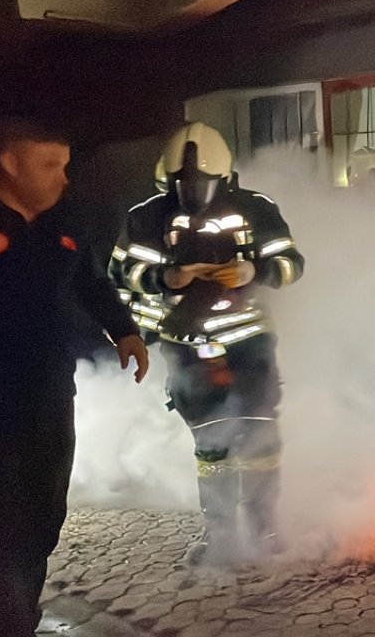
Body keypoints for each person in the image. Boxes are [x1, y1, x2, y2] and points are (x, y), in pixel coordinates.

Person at [0, 117, 149, 636]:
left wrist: (125, 331)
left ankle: (19, 609)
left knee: (42, 521)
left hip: (50, 400)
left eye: (66, 166)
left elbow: (90, 280)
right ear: (9, 163)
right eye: (50, 165)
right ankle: (3, 622)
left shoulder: (60, 222)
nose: (63, 179)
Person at [110, 121, 305, 565]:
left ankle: (264, 525)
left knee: (259, 430)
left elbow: (292, 263)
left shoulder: (256, 209)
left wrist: (255, 272)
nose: (193, 190)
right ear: (169, 178)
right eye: (184, 183)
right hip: (184, 342)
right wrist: (166, 277)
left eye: (203, 181)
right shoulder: (145, 217)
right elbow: (120, 275)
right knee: (210, 440)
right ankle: (219, 530)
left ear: (225, 175)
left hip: (248, 341)